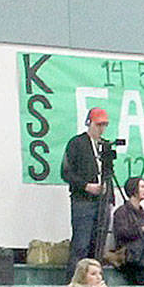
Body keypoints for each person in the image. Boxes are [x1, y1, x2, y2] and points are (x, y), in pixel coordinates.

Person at [62, 107, 110, 270]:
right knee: (81, 245)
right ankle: (73, 284)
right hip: (83, 200)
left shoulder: (104, 146)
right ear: (89, 123)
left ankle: (93, 282)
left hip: (102, 201)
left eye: (104, 125)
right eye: (98, 125)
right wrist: (86, 186)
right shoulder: (77, 143)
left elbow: (109, 172)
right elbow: (66, 172)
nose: (101, 129)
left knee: (97, 246)